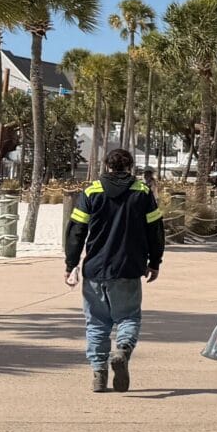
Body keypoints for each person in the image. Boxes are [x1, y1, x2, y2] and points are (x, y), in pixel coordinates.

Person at [62, 147, 163, 393]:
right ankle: (123, 349)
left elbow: (77, 230)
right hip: (128, 268)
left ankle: (99, 373)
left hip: (96, 269)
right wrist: (155, 261)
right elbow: (155, 230)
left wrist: (71, 263)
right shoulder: (142, 192)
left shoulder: (91, 191)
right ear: (130, 168)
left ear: (107, 166)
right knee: (128, 317)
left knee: (96, 323)